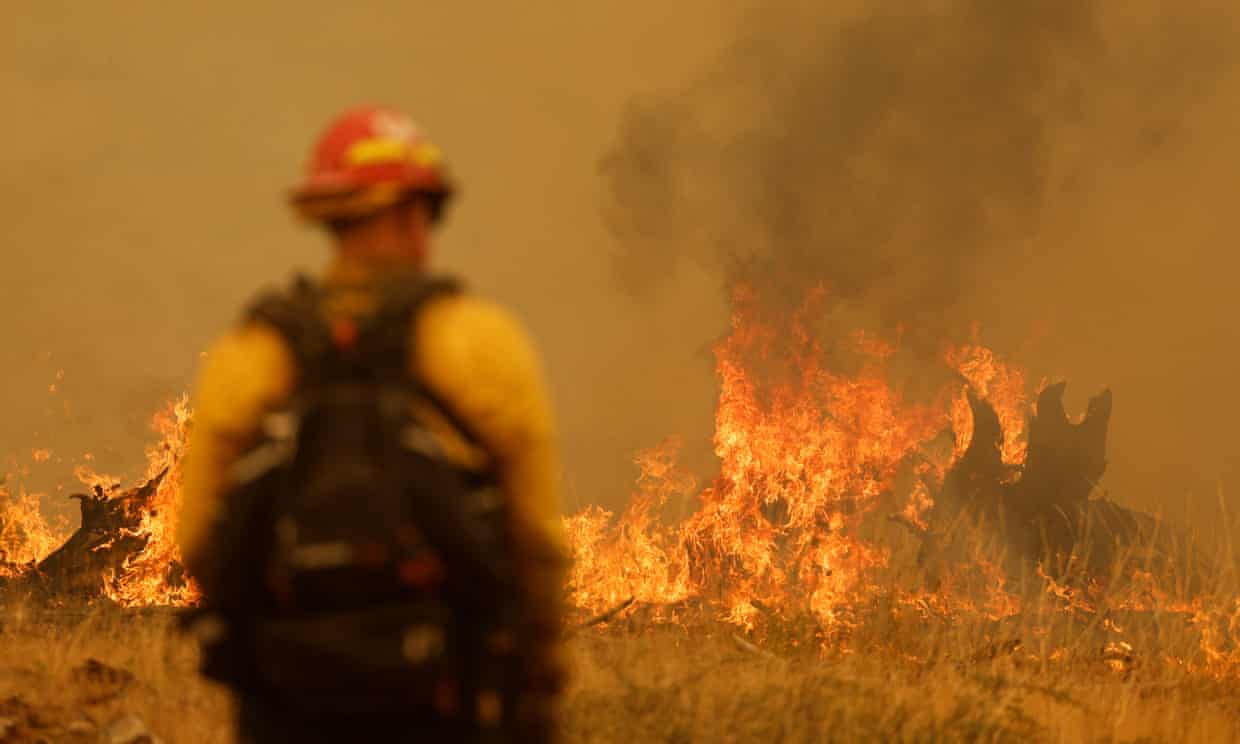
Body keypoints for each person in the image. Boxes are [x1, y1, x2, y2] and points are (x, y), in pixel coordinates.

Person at [175, 106, 568, 742]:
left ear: (329, 217)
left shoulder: (248, 353)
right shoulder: (483, 343)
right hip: (442, 695)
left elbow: (200, 540)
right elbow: (536, 544)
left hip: (285, 698)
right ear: (415, 212)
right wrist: (538, 688)